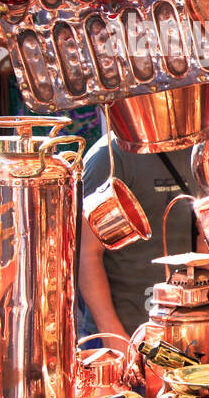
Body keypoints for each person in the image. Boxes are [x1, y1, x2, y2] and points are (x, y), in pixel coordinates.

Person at [78, 133, 200, 347]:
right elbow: (86, 253)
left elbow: (204, 237)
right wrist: (111, 333)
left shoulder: (199, 151)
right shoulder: (108, 157)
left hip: (186, 332)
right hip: (124, 335)